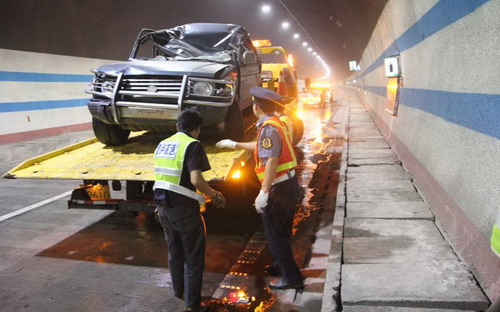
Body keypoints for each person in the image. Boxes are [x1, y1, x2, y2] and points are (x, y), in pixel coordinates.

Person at [216, 87, 304, 290]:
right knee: (280, 231)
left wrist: (263, 192)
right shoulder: (277, 123)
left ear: (256, 107)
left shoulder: (269, 128)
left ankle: (292, 277)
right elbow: (263, 147)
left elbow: (272, 160)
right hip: (287, 184)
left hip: (278, 187)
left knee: (275, 233)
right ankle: (279, 265)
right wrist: (235, 144)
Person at [153, 109, 226, 312]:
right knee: (193, 256)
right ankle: (193, 305)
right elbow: (196, 180)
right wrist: (215, 195)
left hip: (162, 206)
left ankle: (179, 291)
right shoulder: (192, 145)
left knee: (174, 251)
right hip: (183, 208)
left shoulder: (163, 144)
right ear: (197, 128)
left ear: (178, 126)